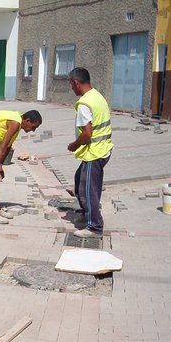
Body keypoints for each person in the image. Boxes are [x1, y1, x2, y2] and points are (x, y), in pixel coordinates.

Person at [67, 67, 113, 238]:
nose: (71, 88)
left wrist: (73, 145)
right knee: (80, 180)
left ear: (77, 83)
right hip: (103, 149)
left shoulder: (85, 104)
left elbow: (87, 133)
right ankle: (87, 215)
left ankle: (94, 226)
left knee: (89, 189)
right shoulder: (97, 96)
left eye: (71, 84)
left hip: (95, 152)